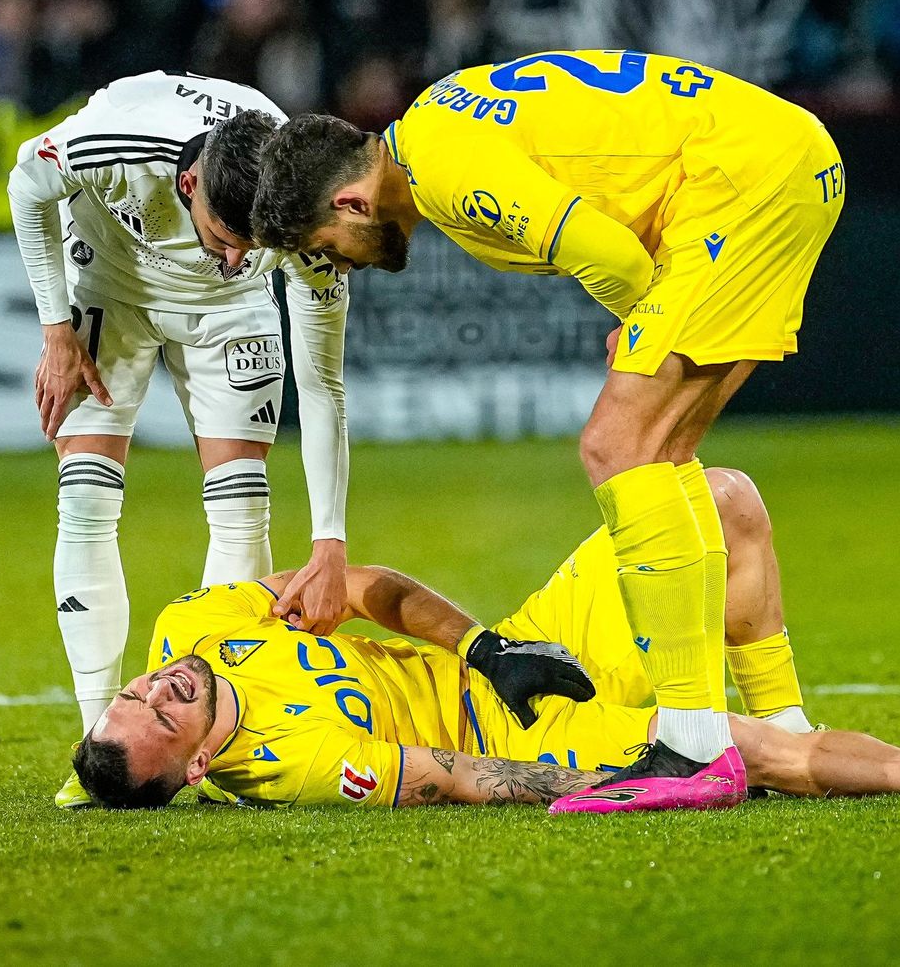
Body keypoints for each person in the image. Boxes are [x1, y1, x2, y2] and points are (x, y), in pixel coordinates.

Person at [248, 49, 847, 811]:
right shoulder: (434, 125)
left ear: (353, 205)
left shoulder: (445, 172)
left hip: (742, 180)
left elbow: (603, 249)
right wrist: (646, 313)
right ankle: (779, 730)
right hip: (773, 161)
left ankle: (693, 744)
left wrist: (639, 315)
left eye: (326, 249)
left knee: (618, 446)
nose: (341, 265)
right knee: (660, 457)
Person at [74, 468, 900, 810]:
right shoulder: (296, 765)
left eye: (134, 691)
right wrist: (605, 769)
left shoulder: (199, 624)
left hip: (526, 653)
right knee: (737, 752)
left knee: (718, 501)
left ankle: (791, 710)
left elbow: (368, 586)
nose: (158, 687)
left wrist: (484, 650)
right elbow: (455, 774)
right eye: (159, 717)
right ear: (200, 764)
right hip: (524, 741)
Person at [6, 71, 351, 809]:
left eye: (253, 247)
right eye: (226, 238)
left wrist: (330, 537)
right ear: (187, 182)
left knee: (240, 503)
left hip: (229, 316)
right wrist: (57, 329)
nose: (234, 257)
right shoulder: (111, 141)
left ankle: (211, 749)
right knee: (87, 499)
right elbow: (24, 186)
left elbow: (323, 386)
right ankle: (95, 744)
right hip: (109, 287)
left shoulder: (304, 206)